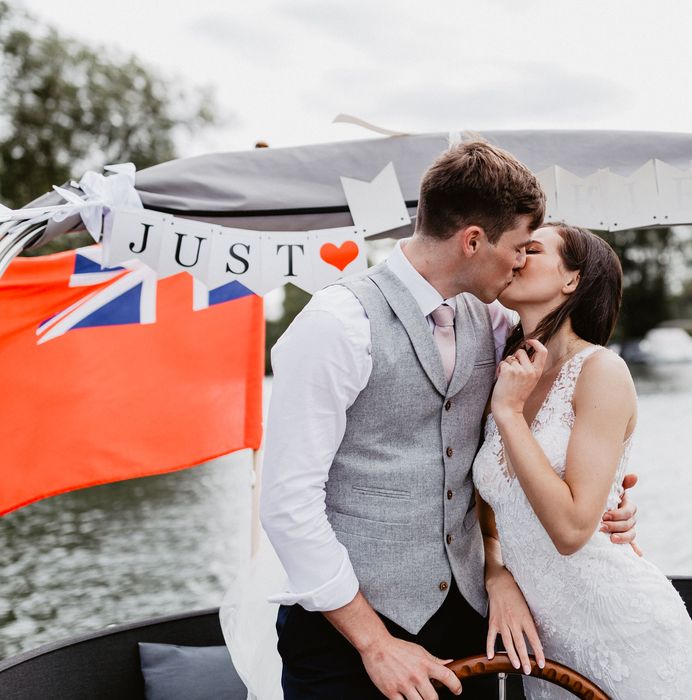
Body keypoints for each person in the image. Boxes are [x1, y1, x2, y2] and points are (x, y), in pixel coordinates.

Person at [260, 141, 639, 700]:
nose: (519, 262)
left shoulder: (492, 320)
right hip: (343, 637)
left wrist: (602, 509)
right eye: (518, 247)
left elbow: (528, 443)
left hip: (468, 622)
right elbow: (288, 505)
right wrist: (374, 643)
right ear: (472, 241)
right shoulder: (336, 325)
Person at [474, 223, 692, 699]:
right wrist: (496, 574)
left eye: (531, 250)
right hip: (547, 649)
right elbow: (487, 520)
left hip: (629, 638)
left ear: (572, 280)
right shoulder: (505, 371)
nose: (515, 257)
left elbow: (573, 531)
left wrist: (510, 414)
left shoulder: (602, 370)